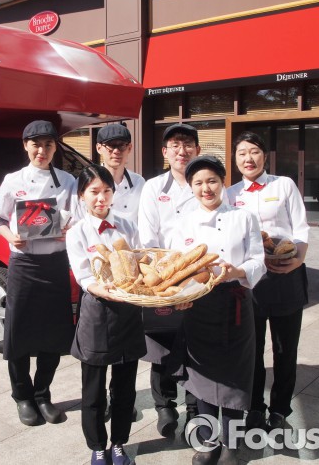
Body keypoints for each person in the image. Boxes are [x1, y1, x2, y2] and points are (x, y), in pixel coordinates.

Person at [173, 155, 266, 465]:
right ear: (191, 187)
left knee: (235, 375)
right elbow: (177, 268)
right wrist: (180, 296)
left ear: (223, 182)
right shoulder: (183, 222)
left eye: (212, 181)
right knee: (203, 375)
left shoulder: (244, 217)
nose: (206, 188)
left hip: (235, 302)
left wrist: (237, 271)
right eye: (198, 183)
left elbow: (258, 261)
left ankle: (231, 443)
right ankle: (209, 440)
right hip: (198, 305)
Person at [0, 120, 76, 426]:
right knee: (19, 334)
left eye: (48, 145)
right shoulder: (13, 180)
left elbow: (77, 218)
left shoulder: (67, 180)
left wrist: (68, 230)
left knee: (52, 334)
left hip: (55, 264)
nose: (42, 150)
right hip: (24, 264)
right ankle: (22, 396)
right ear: (25, 146)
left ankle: (42, 394)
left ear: (55, 147)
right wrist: (10, 236)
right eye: (36, 144)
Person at [226, 131, 310, 433]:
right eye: (242, 153)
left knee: (285, 349)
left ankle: (280, 409)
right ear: (235, 159)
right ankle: (255, 407)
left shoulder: (283, 185)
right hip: (251, 280)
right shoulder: (230, 194)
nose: (248, 158)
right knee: (252, 348)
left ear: (264, 155)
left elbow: (301, 227)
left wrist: (297, 260)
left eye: (254, 151)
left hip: (286, 275)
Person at [66, 165, 145, 465]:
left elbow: (140, 260)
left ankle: (119, 444)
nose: (101, 198)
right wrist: (103, 289)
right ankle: (98, 447)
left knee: (124, 388)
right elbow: (83, 276)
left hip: (128, 313)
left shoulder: (128, 225)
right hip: (97, 313)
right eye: (94, 192)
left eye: (107, 191)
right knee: (93, 391)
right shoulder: (77, 232)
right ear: (82, 195)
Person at [137, 123, 200, 437]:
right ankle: (164, 405)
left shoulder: (205, 183)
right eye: (175, 145)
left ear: (197, 150)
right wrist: (166, 272)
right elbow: (147, 236)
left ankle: (195, 409)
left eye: (187, 144)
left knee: (195, 343)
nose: (181, 150)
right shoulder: (153, 188)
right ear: (165, 152)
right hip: (163, 275)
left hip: (198, 275)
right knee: (161, 341)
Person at [72, 123, 145, 222]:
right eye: (110, 146)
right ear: (98, 148)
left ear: (129, 148)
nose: (116, 151)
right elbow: (76, 220)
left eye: (121, 145)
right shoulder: (85, 182)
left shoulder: (139, 182)